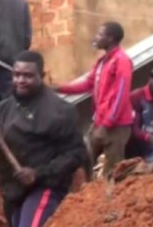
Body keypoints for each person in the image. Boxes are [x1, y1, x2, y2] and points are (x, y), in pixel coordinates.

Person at [0, 50, 86, 227]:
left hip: (45, 187)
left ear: (41, 76)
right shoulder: (3, 109)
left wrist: (38, 174)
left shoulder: (60, 111)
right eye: (17, 75)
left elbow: (76, 154)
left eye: (28, 75)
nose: (21, 80)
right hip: (12, 188)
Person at [56, 21, 133, 179]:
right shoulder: (102, 61)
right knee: (84, 159)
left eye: (100, 34)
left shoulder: (122, 61)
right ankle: (87, 197)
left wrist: (106, 124)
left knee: (114, 171)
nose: (96, 38)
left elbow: (121, 96)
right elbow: (87, 85)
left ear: (110, 38)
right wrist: (58, 88)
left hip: (116, 127)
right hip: (100, 121)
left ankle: (110, 201)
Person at [125, 66, 153, 170]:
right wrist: (150, 138)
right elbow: (132, 129)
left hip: (149, 154)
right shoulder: (136, 97)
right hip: (130, 154)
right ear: (149, 79)